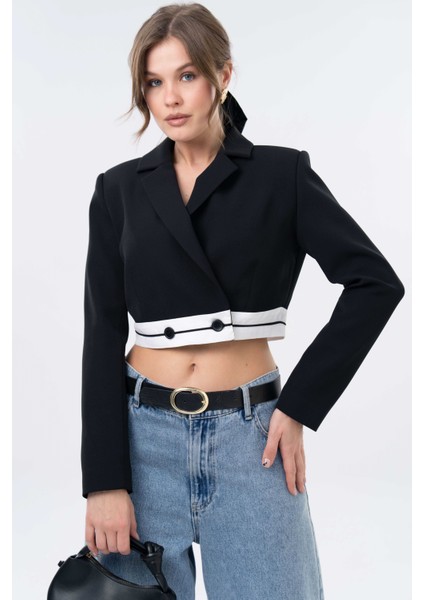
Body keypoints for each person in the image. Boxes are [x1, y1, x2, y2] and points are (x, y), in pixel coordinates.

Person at [80, 3, 405, 599]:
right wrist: (103, 480)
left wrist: (299, 405)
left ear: (223, 75)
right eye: (153, 82)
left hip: (252, 443)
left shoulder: (282, 175)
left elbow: (375, 283)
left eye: (186, 75)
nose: (170, 98)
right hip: (141, 443)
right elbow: (101, 333)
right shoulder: (117, 190)